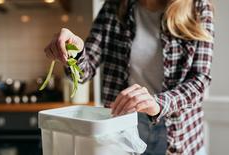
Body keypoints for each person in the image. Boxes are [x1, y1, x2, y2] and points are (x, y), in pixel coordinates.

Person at [44, 0, 214, 154]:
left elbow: (200, 79)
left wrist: (158, 103)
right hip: (124, 126)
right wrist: (75, 52)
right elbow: (85, 71)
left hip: (181, 133)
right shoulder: (114, 6)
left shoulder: (198, 7)